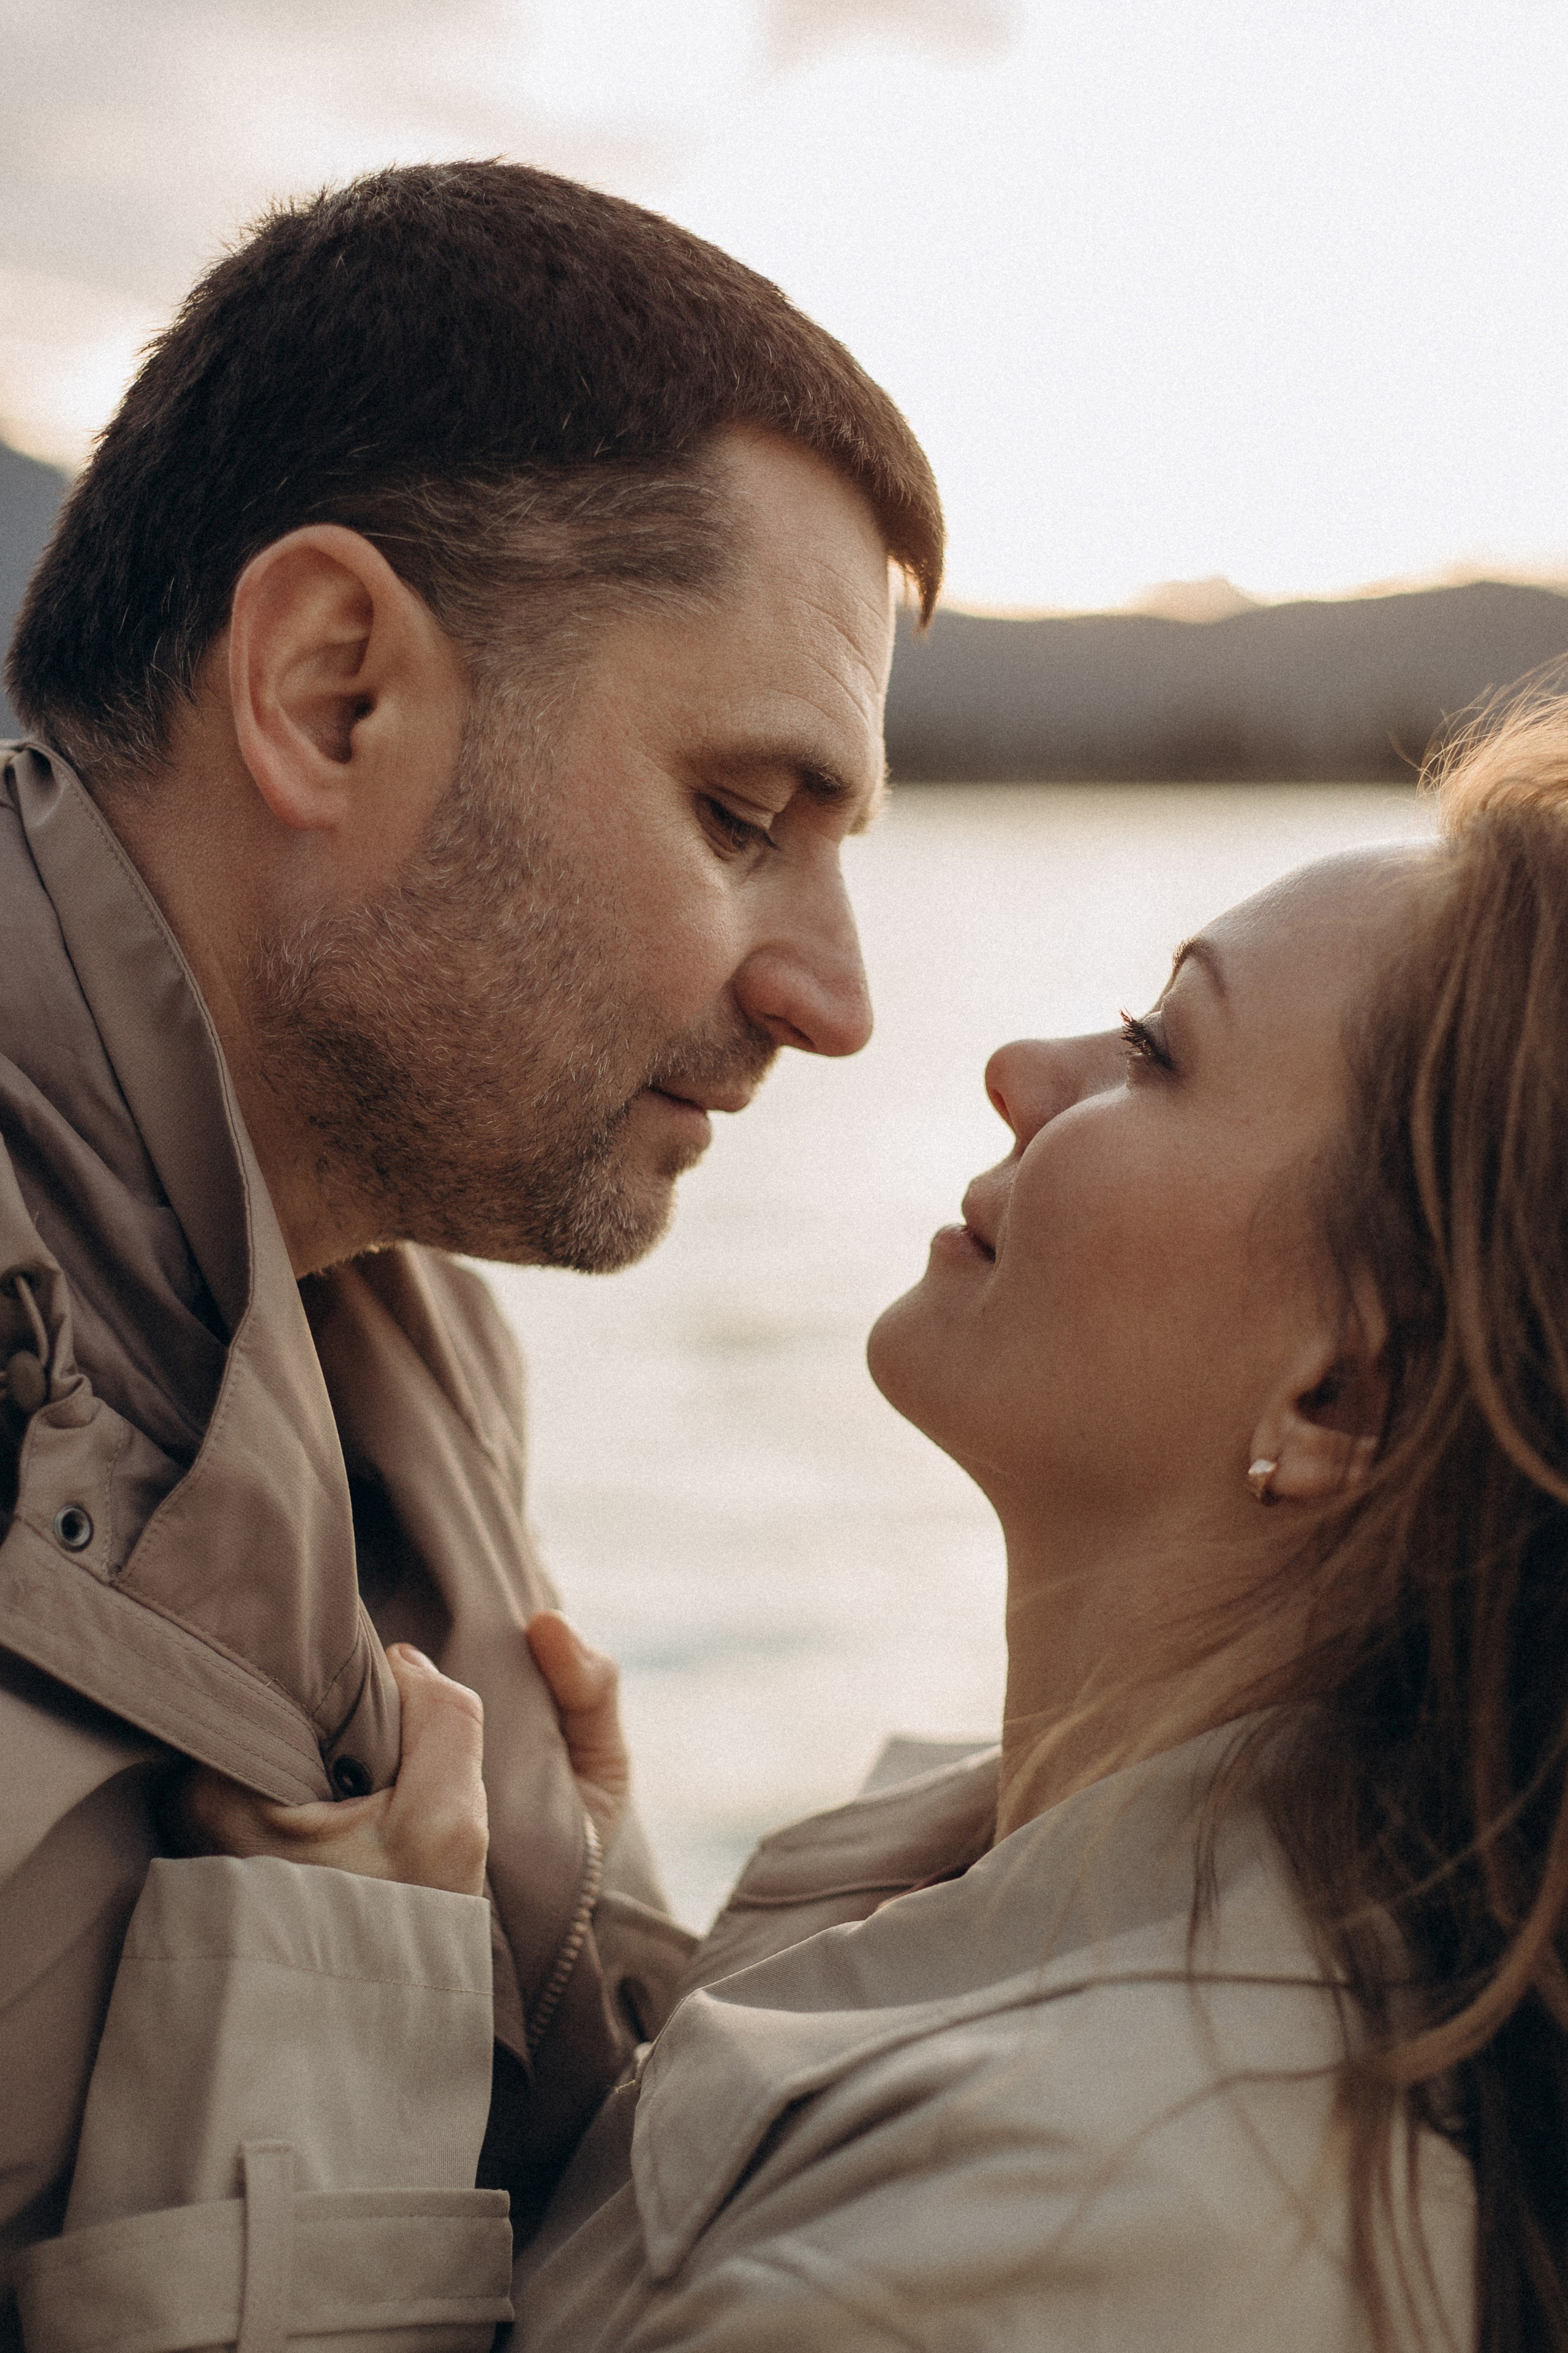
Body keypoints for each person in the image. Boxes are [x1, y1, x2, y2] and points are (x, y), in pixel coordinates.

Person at [42, 692, 1568, 2351]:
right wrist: (592, 1925)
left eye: (1157, 1048)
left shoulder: (1071, 2242)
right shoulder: (1000, 1919)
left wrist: (317, 2040)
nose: (1018, 1068)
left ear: (1339, 1401)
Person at [0, 159, 943, 2335]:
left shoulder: (400, 1330)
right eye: (740, 816)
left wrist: (569, 1903)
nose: (837, 994)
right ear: (333, 693)